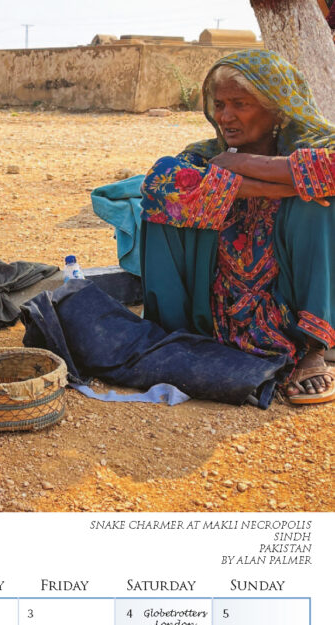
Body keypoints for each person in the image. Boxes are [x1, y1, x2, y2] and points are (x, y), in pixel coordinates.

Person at [140, 49, 335, 405]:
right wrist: (238, 182)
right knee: (166, 197)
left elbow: (330, 169)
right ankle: (177, 330)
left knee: (320, 204)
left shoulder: (314, 145)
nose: (225, 117)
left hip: (285, 301)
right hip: (218, 310)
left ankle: (313, 349)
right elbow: (156, 183)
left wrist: (239, 163)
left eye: (240, 104)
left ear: (276, 109)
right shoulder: (205, 153)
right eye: (220, 105)